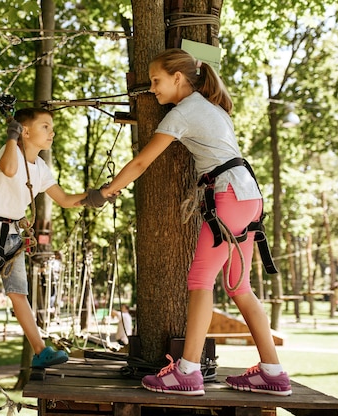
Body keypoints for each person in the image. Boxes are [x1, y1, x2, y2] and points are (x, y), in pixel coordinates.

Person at [99, 49, 292, 397]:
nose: (153, 88)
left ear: (177, 77)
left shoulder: (184, 112)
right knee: (238, 287)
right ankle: (272, 372)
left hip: (229, 195)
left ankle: (187, 372)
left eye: (156, 80)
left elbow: (143, 162)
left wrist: (107, 190)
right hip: (250, 196)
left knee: (200, 280)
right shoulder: (211, 107)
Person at [0, 107, 108, 375]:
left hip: (12, 236)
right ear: (26, 131)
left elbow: (65, 200)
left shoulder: (41, 168)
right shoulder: (8, 152)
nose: (51, 132)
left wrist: (96, 196)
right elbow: (9, 169)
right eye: (45, 126)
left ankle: (40, 351)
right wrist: (12, 135)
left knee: (19, 294)